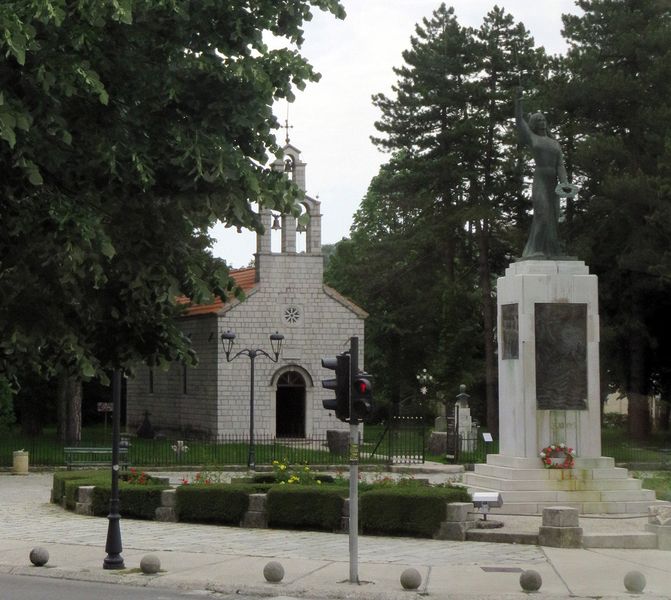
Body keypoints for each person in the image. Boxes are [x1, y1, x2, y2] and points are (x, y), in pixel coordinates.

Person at [515, 89, 571, 259]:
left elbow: (560, 164)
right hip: (540, 178)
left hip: (553, 181)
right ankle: (535, 250)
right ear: (533, 123)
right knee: (543, 214)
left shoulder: (555, 143)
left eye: (543, 119)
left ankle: (553, 251)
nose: (541, 121)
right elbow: (519, 121)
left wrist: (564, 183)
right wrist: (518, 102)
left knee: (554, 216)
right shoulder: (532, 138)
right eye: (537, 119)